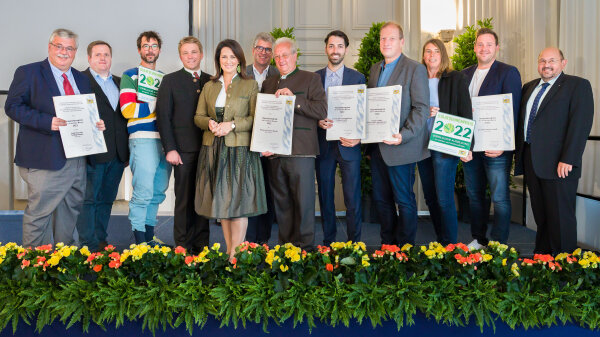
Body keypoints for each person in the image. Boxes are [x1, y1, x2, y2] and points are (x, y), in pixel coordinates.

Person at [5, 28, 104, 247]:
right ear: (50, 47)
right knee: (39, 216)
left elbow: (85, 112)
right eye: (59, 46)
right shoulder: (29, 72)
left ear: (75, 51)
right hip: (45, 159)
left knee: (69, 217)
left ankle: (64, 273)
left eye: (69, 48)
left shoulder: (81, 78)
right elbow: (12, 107)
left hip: (77, 159)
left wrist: (95, 124)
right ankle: (35, 273)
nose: (63, 52)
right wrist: (46, 122)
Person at [514, 47, 594, 255]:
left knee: (561, 218)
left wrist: (569, 158)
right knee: (542, 216)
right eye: (542, 60)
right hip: (532, 161)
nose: (546, 65)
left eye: (552, 60)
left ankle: (564, 270)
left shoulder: (577, 86)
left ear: (563, 63)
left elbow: (580, 125)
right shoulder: (529, 87)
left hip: (560, 164)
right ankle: (543, 262)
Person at [194, 39, 267, 261]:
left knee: (239, 204)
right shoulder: (209, 86)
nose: (228, 61)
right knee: (223, 204)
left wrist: (232, 125)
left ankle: (237, 254)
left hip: (239, 152)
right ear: (218, 60)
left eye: (232, 57)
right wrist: (209, 123)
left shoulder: (250, 84)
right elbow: (198, 116)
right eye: (224, 56)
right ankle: (229, 251)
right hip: (213, 150)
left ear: (239, 60)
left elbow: (255, 118)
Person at [262, 37, 327, 250]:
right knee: (282, 204)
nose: (281, 60)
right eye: (277, 56)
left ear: (295, 56)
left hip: (301, 152)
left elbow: (321, 111)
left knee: (304, 203)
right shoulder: (268, 83)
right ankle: (286, 249)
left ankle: (305, 250)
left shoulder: (310, 79)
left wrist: (294, 100)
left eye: (285, 55)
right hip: (275, 152)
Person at [367, 22, 429, 246]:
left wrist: (404, 135)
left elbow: (421, 108)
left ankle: (405, 250)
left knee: (404, 200)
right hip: (377, 148)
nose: (386, 43)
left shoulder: (415, 69)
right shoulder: (375, 69)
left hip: (401, 147)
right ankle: (388, 246)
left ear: (401, 42)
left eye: (391, 38)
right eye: (383, 39)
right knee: (382, 201)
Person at [461, 28, 522, 248]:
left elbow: (512, 111)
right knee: (475, 197)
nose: (484, 48)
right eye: (480, 44)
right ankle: (479, 238)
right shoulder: (465, 74)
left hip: (497, 149)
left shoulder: (508, 72)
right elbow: (459, 112)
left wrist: (504, 146)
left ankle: (498, 244)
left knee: (500, 198)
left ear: (497, 47)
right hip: (470, 147)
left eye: (489, 44)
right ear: (475, 47)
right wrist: (461, 146)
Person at [157, 37, 211, 254]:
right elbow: (163, 116)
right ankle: (182, 246)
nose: (191, 56)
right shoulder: (170, 81)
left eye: (194, 52)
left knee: (204, 200)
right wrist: (170, 148)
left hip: (208, 150)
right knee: (184, 201)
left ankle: (202, 246)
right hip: (182, 151)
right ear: (181, 56)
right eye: (186, 52)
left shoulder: (211, 80)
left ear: (201, 54)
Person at [415, 39, 472, 245]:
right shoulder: (417, 78)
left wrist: (467, 146)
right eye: (427, 51)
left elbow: (465, 111)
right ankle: (440, 239)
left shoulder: (456, 78)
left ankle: (450, 245)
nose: (431, 55)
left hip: (445, 143)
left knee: (444, 198)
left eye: (436, 51)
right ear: (423, 55)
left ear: (443, 54)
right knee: (430, 197)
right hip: (421, 144)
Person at [120, 31, 171, 244]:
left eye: (154, 46)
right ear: (139, 49)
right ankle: (139, 241)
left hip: (165, 139)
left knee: (159, 190)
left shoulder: (164, 79)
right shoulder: (130, 75)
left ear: (159, 49)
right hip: (142, 138)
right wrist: (158, 105)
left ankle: (150, 238)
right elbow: (128, 109)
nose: (150, 50)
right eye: (145, 46)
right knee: (143, 190)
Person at [315, 30, 366, 246]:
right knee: (326, 197)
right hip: (323, 144)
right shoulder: (315, 78)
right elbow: (311, 109)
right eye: (331, 46)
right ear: (326, 48)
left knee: (352, 197)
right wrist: (318, 120)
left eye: (340, 46)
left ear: (346, 49)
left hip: (349, 144)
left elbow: (364, 112)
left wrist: (359, 138)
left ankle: (354, 244)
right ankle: (328, 242)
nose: (335, 50)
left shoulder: (358, 77)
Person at [77, 41, 129, 251]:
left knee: (107, 200)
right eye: (97, 54)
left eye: (106, 54)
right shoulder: (80, 80)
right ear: (89, 58)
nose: (102, 58)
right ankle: (87, 243)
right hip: (92, 152)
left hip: (117, 154)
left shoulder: (121, 82)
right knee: (89, 200)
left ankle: (100, 239)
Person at [245, 32, 279, 244]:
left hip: (270, 142)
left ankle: (264, 240)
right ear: (253, 49)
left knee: (268, 190)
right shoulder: (241, 72)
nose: (263, 52)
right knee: (248, 190)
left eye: (268, 49)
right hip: (246, 140)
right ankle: (248, 241)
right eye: (260, 48)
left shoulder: (279, 73)